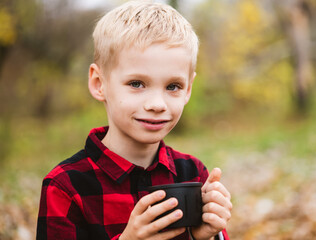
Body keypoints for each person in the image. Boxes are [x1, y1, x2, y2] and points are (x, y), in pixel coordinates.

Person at [36, 1, 232, 239]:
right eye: (136, 84)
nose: (157, 104)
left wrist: (206, 236)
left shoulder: (193, 174)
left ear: (188, 89)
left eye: (173, 86)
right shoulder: (66, 187)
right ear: (99, 84)